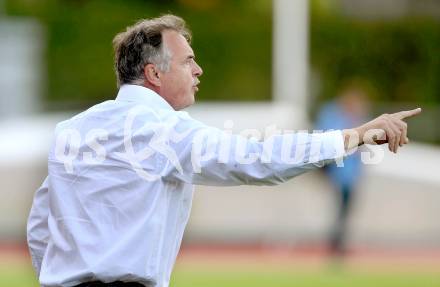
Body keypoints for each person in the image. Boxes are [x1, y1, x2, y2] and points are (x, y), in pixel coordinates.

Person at [27, 15, 422, 287]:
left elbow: (42, 224)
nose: (198, 70)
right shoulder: (162, 129)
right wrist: (352, 136)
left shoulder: (71, 130)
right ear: (154, 73)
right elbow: (258, 159)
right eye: (189, 61)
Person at [315, 83, 369, 257]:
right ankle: (336, 243)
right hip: (339, 174)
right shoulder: (334, 116)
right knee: (341, 210)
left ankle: (338, 242)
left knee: (344, 210)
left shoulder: (356, 119)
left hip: (350, 175)